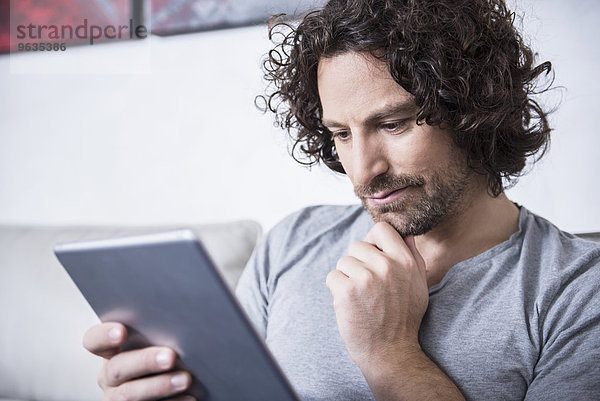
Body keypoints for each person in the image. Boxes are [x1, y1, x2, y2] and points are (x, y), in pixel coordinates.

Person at [83, 0, 600, 400]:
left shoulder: (577, 292)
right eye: (341, 134)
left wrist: (391, 355)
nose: (363, 170)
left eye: (393, 124)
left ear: (475, 109)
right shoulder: (292, 242)